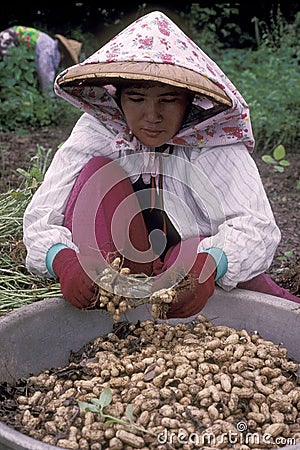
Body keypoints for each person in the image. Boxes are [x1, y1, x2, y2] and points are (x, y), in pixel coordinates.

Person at [23, 11, 300, 318]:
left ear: (189, 100)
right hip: (124, 261)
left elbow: (257, 227)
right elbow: (41, 216)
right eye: (137, 99)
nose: (151, 116)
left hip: (195, 267)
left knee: (276, 314)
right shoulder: (98, 131)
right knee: (97, 173)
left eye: (168, 100)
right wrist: (62, 261)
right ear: (118, 98)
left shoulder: (212, 140)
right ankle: (112, 301)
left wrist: (209, 266)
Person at [0, 25, 82, 95]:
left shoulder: (49, 44)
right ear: (63, 55)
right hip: (8, 40)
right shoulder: (49, 51)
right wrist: (49, 97)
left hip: (9, 39)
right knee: (7, 72)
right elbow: (45, 75)